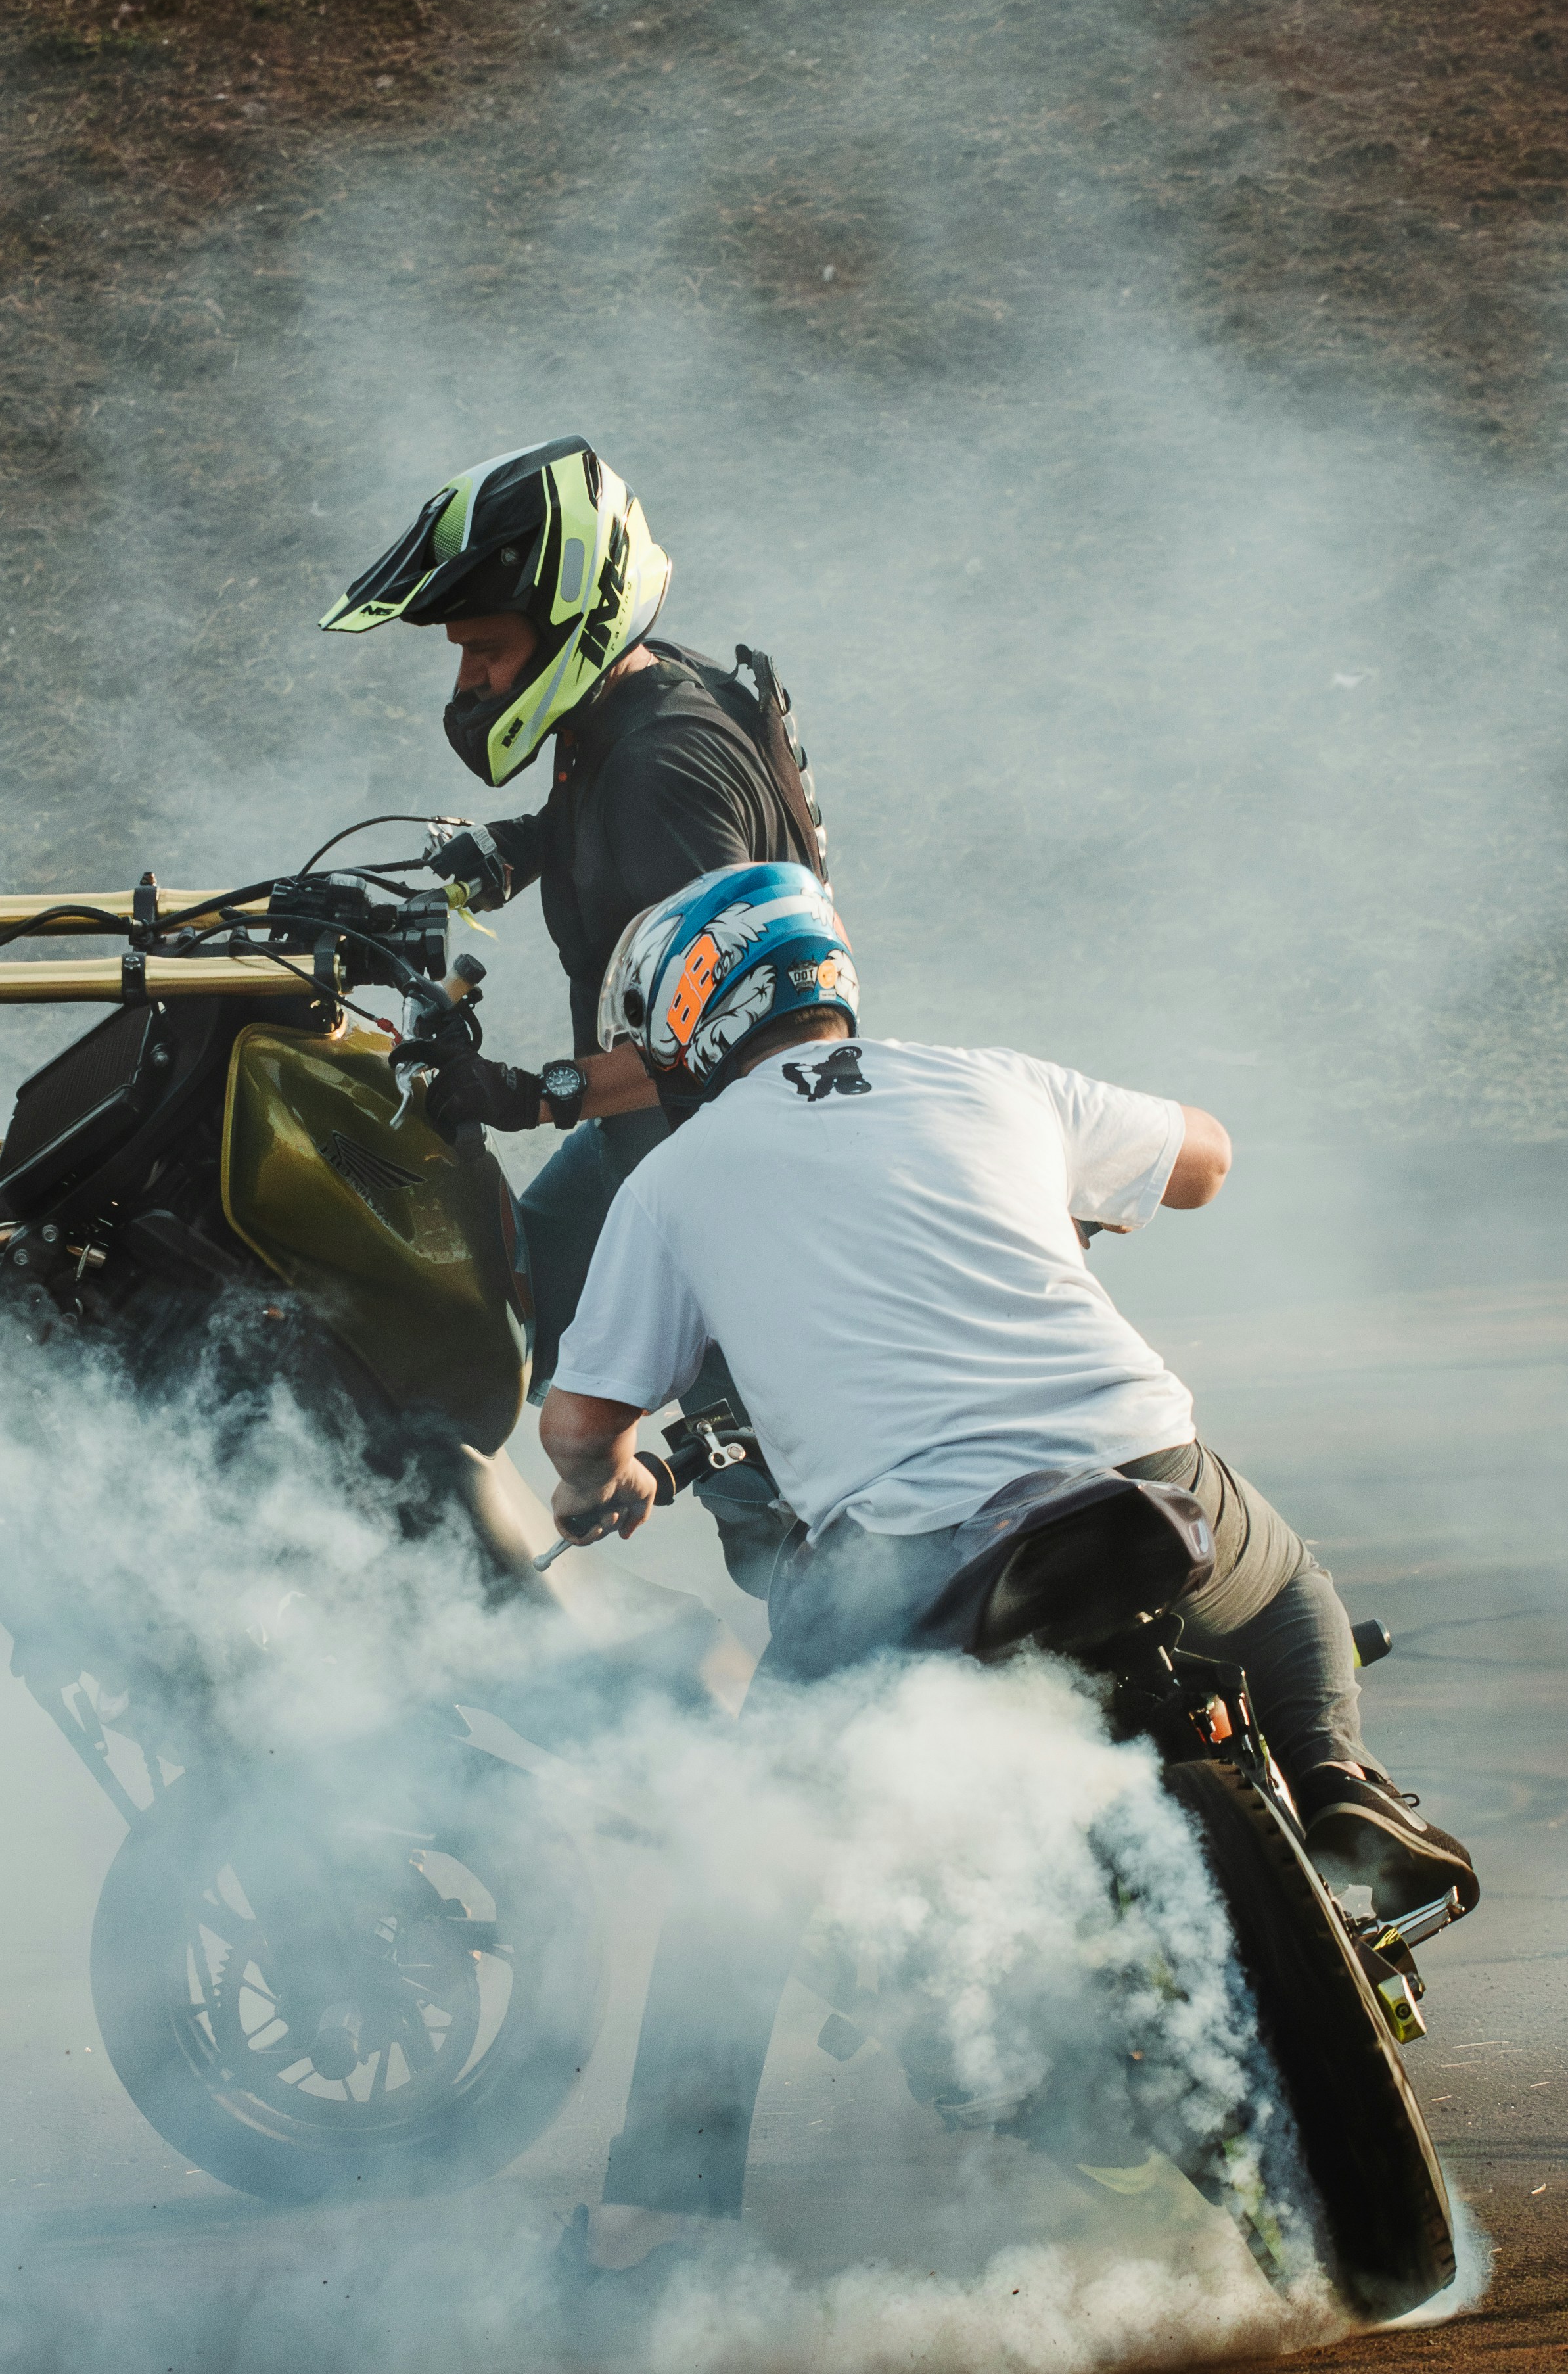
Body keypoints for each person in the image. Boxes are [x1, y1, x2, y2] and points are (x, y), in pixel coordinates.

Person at [536, 864, 1479, 2270]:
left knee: (751, 1856)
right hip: (1140, 1480)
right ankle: (1336, 1777)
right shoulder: (989, 1082)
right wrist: (1063, 1201)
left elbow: (577, 1420)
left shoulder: (675, 1179)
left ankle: (650, 2214)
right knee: (1285, 1590)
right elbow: (1206, 1158)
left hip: (909, 1569)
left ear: (688, 1017)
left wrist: (604, 1480)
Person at [321, 436, 824, 1585]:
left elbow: (734, 1032)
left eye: (488, 653)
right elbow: (612, 823)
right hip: (645, 1142)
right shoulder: (633, 704)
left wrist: (531, 1093)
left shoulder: (665, 771)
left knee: (782, 1516)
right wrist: (514, 852)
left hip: (728, 1168)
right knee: (503, 1294)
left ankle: (863, 1712)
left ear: (574, 622)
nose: (471, 685)